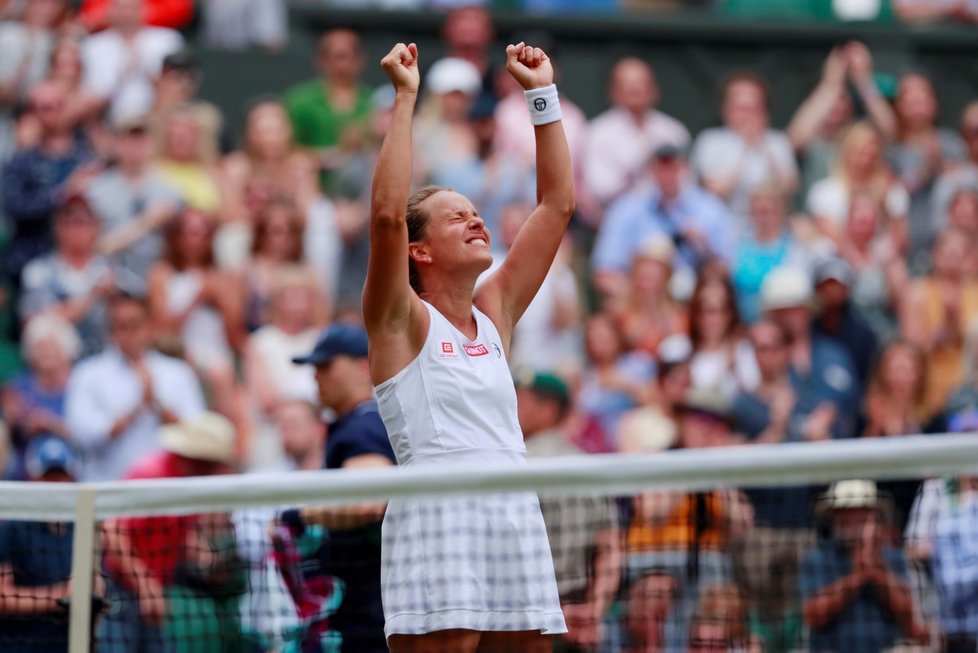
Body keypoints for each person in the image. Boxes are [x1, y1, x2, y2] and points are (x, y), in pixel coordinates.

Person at [364, 40, 572, 652]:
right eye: (455, 218)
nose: (476, 220)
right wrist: (406, 98)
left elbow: (557, 205)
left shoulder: (495, 313)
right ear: (419, 251)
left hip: (513, 509)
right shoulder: (399, 320)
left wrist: (541, 94)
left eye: (475, 211)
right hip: (438, 511)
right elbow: (383, 218)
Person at [283, 322, 396, 653]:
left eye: (326, 366)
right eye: (315, 367)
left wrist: (300, 515)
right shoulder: (356, 423)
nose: (316, 376)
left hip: (369, 619)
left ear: (364, 366)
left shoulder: (363, 427)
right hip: (359, 612)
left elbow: (368, 502)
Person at [100, 411, 245, 653]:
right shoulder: (151, 477)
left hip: (156, 589)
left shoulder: (191, 484)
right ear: (199, 459)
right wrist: (146, 587)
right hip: (122, 590)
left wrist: (206, 559)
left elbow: (177, 531)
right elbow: (112, 531)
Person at [516, 371, 623, 653]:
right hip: (578, 614)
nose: (512, 406)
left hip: (525, 616)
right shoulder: (587, 466)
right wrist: (593, 611)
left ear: (549, 409)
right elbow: (610, 548)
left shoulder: (512, 465)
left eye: (521, 400)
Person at [65, 292, 205, 481]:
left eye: (135, 325)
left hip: (166, 488)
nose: (129, 334)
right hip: (108, 487)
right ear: (110, 332)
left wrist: (156, 403)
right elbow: (83, 434)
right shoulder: (88, 374)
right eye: (121, 326)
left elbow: (197, 433)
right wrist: (136, 409)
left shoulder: (178, 372)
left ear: (150, 327)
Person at [800, 480, 929, 653]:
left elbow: (908, 618)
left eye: (861, 519)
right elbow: (812, 615)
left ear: (875, 520)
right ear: (834, 520)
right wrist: (857, 577)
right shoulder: (816, 560)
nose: (854, 527)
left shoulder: (894, 558)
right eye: (846, 519)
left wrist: (876, 573)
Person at [591, 143, 733, 299]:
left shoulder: (710, 209)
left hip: (696, 304)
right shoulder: (626, 209)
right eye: (661, 168)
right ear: (650, 170)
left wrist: (704, 248)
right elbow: (604, 274)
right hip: (642, 304)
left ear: (685, 168)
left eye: (673, 167)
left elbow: (727, 270)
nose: (667, 175)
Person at [1, 80, 96, 286]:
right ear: (33, 114)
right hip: (32, 260)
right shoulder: (20, 162)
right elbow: (15, 207)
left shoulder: (87, 157)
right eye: (45, 108)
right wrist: (62, 194)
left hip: (85, 266)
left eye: (58, 105)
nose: (53, 113)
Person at [0, 434, 84, 653]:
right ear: (33, 478)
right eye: (48, 476)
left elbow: (97, 587)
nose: (56, 484)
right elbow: (2, 596)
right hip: (19, 646)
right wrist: (61, 596)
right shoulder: (11, 527)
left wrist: (92, 594)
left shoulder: (82, 528)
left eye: (61, 475)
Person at [87, 114, 183, 296]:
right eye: (128, 139)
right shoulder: (95, 191)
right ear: (116, 143)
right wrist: (148, 221)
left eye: (142, 139)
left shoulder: (171, 191)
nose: (135, 146)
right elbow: (94, 246)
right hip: (110, 282)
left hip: (159, 283)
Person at [583, 57, 690, 206]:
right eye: (628, 84)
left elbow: (687, 184)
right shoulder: (598, 133)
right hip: (616, 218)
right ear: (613, 91)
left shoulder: (674, 131)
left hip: (670, 217)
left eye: (641, 82)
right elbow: (601, 189)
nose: (635, 89)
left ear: (654, 89)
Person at [691, 72, 798, 220]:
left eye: (755, 108)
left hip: (770, 226)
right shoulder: (710, 141)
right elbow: (715, 191)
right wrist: (745, 149)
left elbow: (789, 189)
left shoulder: (777, 141)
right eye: (741, 109)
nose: (748, 116)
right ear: (725, 109)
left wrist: (764, 147)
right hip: (725, 222)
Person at [18, 194, 115, 357]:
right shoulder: (38, 270)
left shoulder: (109, 268)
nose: (77, 230)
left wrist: (114, 298)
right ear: (57, 228)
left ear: (96, 228)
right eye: (69, 223)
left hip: (104, 359)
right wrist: (93, 296)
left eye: (84, 223)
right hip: (58, 362)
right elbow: (35, 322)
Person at [285, 29, 373, 195]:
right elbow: (286, 150)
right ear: (321, 61)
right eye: (334, 57)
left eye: (347, 57)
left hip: (362, 193)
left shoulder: (373, 101)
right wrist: (326, 158)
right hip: (310, 190)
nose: (342, 64)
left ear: (360, 60)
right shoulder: (300, 101)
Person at [1, 313, 78, 480]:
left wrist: (50, 424)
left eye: (51, 347)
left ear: (66, 350)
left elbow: (89, 433)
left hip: (71, 470)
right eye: (39, 348)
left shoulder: (80, 384)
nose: (45, 354)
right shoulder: (19, 386)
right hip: (27, 471)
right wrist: (12, 418)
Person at [80, 0, 184, 122]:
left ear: (145, 9)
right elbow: (87, 99)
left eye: (132, 7)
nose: (127, 14)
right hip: (108, 123)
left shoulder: (167, 40)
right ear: (109, 11)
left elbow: (180, 89)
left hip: (159, 122)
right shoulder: (93, 46)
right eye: (121, 8)